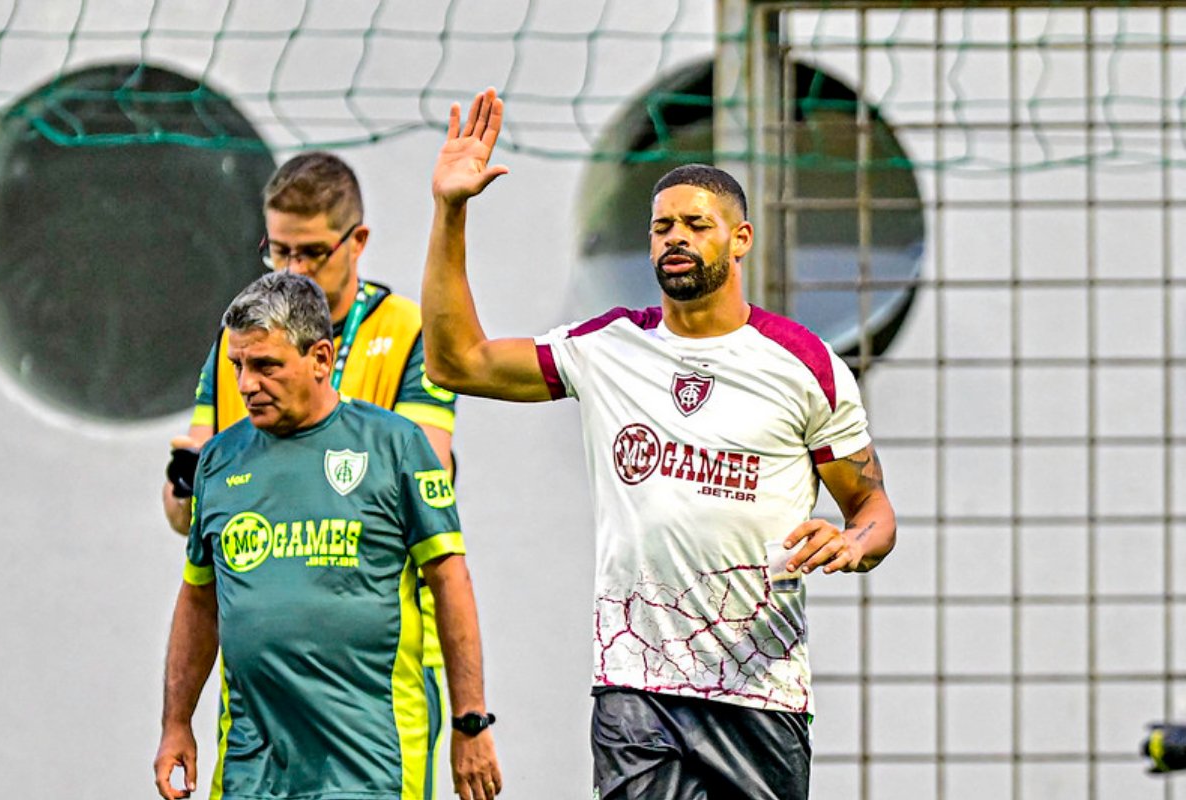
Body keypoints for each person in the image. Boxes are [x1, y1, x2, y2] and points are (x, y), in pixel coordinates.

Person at [419, 88, 897, 800]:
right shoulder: (609, 346)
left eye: (695, 224)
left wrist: (856, 542)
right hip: (637, 688)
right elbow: (458, 362)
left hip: (760, 692)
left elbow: (874, 510)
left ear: (740, 239)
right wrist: (451, 210)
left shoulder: (805, 365)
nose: (673, 237)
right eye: (659, 226)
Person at [160, 152, 457, 797]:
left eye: (312, 252)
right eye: (279, 251)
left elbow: (432, 464)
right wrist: (189, 480)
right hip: (265, 682)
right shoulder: (242, 344)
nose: (295, 269)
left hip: (379, 664)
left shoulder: (406, 330)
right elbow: (186, 510)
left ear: (358, 241)